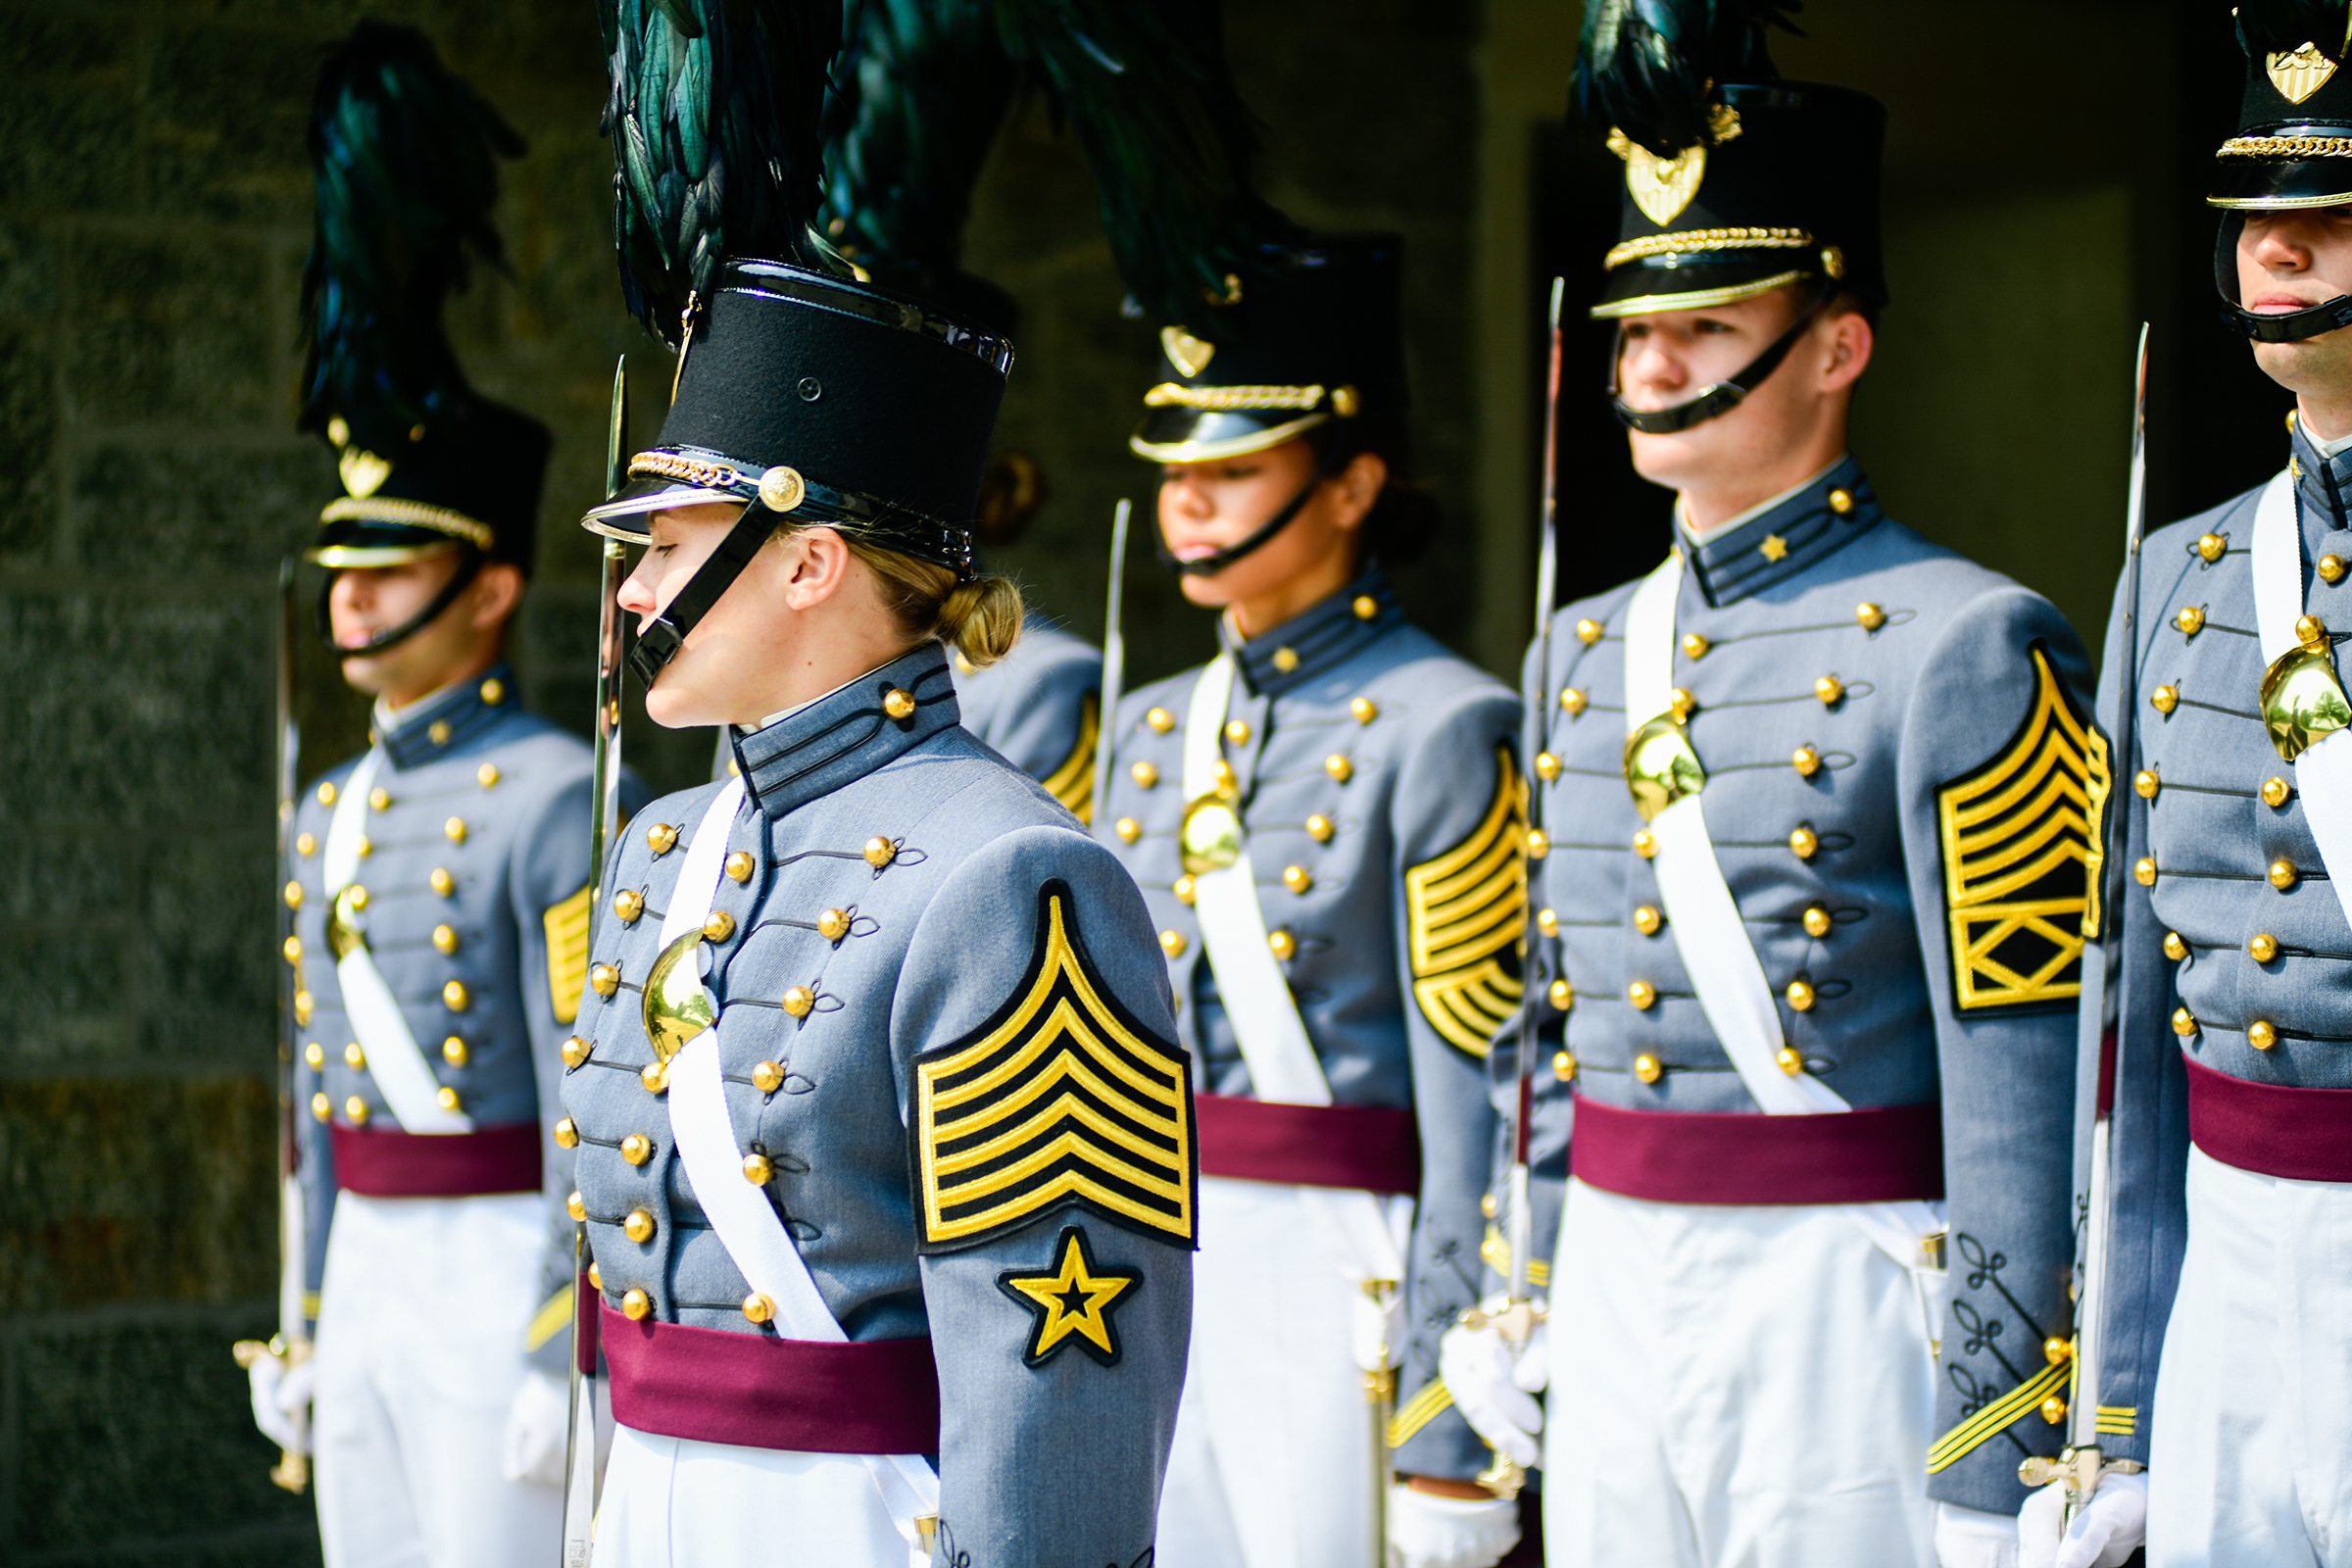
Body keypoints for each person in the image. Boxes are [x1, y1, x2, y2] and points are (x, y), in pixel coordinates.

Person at [1440, 7, 2089, 1565]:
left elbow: (2024, 1081)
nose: (1650, 366)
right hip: (1607, 1267)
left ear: (1837, 345)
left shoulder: (1971, 640)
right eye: (1632, 329)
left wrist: (2001, 1433)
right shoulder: (1580, 648)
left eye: (1708, 328)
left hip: (1836, 1284)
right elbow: (1545, 1018)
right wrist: (1512, 1284)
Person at [558, 3, 1194, 1562]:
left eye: (667, 551)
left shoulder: (1010, 876)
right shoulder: (659, 845)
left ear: (810, 565)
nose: (632, 594)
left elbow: (1063, 1348)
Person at [243, 22, 645, 1567]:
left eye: (392, 568)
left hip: (498, 1269)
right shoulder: (326, 804)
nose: (352, 603)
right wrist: (307, 1304)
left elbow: (580, 1098)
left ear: (488, 589)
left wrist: (564, 1327)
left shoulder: (552, 795)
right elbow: (313, 1112)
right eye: (342, 570)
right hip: (373, 1282)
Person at [1094, 231, 1527, 1568]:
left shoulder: (1449, 723)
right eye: (1178, 473)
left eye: (1232, 471)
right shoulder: (1154, 725)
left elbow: (1480, 1097)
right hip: (1148, 1246)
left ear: (1351, 483)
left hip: (1347, 1262)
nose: (1190, 507)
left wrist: (1449, 1412)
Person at [2030, 7, 2352, 1565]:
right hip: (2225, 1260)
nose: (2277, 244)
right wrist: (2122, 1405)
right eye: (2256, 213)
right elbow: (2133, 1043)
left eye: (2332, 208)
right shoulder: (2180, 574)